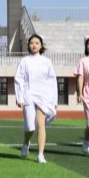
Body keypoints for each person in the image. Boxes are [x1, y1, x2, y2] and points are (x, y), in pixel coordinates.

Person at [14, 34, 57, 164]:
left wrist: (53, 100)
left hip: (43, 96)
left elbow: (52, 81)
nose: (34, 45)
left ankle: (40, 154)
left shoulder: (47, 61)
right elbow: (19, 79)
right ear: (28, 45)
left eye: (37, 43)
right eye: (32, 43)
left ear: (41, 45)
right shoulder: (24, 61)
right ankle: (26, 142)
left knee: (40, 123)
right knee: (30, 127)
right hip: (28, 95)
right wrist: (19, 97)